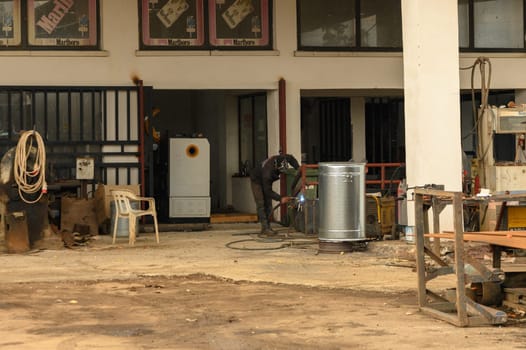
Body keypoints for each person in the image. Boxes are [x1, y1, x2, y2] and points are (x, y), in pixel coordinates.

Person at [249, 153, 300, 235]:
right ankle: (265, 228)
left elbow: (291, 158)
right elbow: (267, 191)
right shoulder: (267, 173)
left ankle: (268, 227)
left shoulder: (282, 159)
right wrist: (280, 198)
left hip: (265, 179)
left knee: (268, 203)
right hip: (256, 181)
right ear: (277, 167)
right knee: (261, 203)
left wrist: (298, 168)